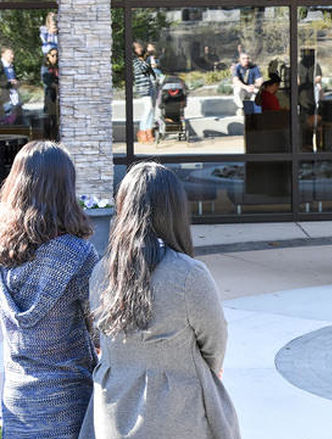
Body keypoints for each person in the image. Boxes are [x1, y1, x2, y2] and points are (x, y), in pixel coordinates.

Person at [79, 162, 241, 439]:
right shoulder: (189, 274)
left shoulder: (101, 271)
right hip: (179, 410)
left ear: (123, 208)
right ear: (174, 211)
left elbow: (100, 337)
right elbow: (215, 342)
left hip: (113, 413)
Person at [0, 141, 98, 438]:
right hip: (70, 403)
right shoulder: (79, 255)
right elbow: (101, 329)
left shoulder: (3, 253)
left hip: (17, 402)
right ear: (64, 190)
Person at [132, 42, 156, 143]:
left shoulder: (143, 59)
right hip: (143, 88)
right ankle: (142, 131)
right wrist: (148, 59)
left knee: (151, 110)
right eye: (137, 48)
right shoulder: (134, 60)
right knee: (148, 108)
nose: (140, 49)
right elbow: (141, 69)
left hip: (150, 87)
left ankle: (149, 131)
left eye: (140, 47)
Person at [41, 47, 59, 139]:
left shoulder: (58, 67)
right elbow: (47, 81)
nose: (55, 57)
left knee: (56, 122)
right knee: (49, 120)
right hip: (50, 97)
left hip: (58, 97)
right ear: (48, 56)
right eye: (53, 55)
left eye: (57, 55)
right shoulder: (46, 67)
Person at [1, 47, 22, 124]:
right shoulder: (1, 66)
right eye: (10, 54)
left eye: (12, 54)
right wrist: (8, 82)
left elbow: (16, 79)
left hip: (14, 97)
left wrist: (17, 83)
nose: (12, 56)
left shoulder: (11, 66)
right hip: (4, 97)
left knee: (16, 119)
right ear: (2, 54)